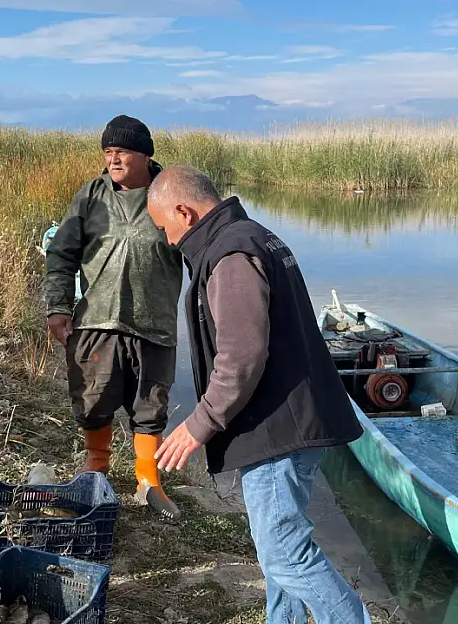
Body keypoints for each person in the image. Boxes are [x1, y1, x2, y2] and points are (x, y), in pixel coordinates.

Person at [146, 165, 373, 624]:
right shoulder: (253, 235)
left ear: (184, 213)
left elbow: (241, 357)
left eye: (164, 228)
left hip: (278, 430)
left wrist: (199, 424)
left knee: (286, 554)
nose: (168, 241)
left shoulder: (230, 253)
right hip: (294, 422)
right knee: (279, 553)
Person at [42, 115, 183, 521]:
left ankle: (148, 481)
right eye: (107, 152)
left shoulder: (169, 193)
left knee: (150, 405)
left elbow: (199, 254)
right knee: (92, 400)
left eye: (121, 151)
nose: (113, 159)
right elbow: (62, 255)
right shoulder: (91, 196)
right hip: (96, 320)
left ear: (144, 154)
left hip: (153, 322)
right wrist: (58, 306)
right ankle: (96, 470)